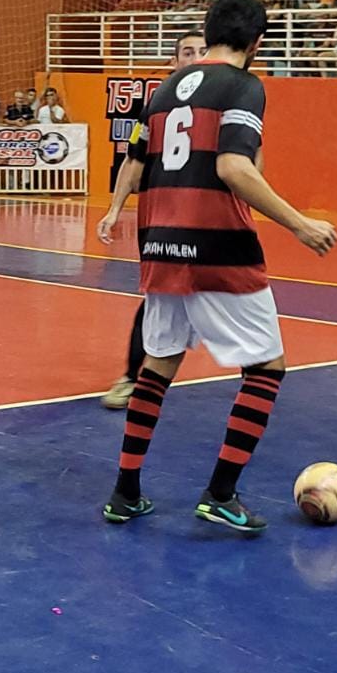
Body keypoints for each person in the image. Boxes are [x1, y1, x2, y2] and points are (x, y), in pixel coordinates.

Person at [95, 0, 337, 532]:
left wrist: (114, 210)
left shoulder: (163, 90)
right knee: (266, 368)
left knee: (157, 366)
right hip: (217, 245)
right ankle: (221, 493)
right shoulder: (244, 85)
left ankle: (124, 492)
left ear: (207, 35)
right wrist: (300, 224)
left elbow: (138, 162)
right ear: (257, 43)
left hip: (159, 244)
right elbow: (233, 167)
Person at [98, 30, 208, 410]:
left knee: (229, 298)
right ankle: (131, 377)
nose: (195, 58)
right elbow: (134, 160)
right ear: (174, 62)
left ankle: (259, 381)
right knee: (159, 299)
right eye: (187, 52)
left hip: (210, 220)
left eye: (202, 51)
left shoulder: (226, 98)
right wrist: (114, 209)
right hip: (166, 219)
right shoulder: (157, 104)